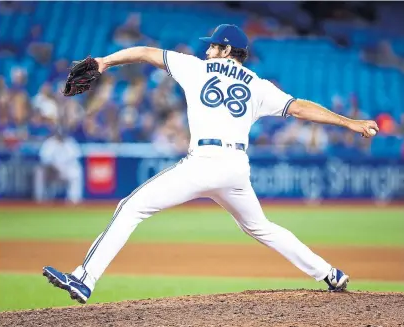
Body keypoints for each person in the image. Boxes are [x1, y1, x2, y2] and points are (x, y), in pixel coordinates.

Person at [43, 24, 379, 304]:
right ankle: (329, 273)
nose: (207, 51)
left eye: (212, 46)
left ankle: (84, 278)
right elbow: (301, 107)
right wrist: (350, 123)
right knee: (261, 227)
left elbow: (145, 53)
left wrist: (105, 62)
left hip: (203, 162)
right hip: (235, 167)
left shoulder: (196, 68)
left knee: (130, 207)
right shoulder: (258, 85)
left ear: (224, 49)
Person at [34, 126, 83, 204]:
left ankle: (73, 200)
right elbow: (44, 159)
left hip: (66, 170)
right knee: (39, 172)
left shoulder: (70, 142)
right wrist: (52, 168)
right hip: (51, 169)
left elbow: (76, 159)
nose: (60, 136)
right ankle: (41, 200)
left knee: (76, 173)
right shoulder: (49, 143)